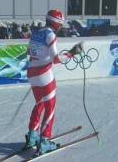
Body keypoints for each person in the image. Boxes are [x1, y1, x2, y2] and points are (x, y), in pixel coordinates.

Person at [25, 9, 83, 155]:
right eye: (60, 24)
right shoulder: (50, 35)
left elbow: (29, 52)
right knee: (50, 107)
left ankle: (32, 136)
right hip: (44, 74)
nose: (61, 27)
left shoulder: (36, 33)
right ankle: (44, 141)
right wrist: (72, 53)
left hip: (31, 73)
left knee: (39, 104)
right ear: (57, 23)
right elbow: (55, 59)